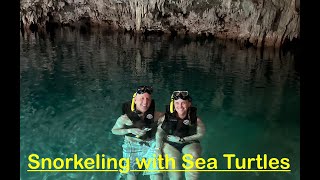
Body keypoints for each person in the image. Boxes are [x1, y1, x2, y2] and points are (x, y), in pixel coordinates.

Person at [111, 85, 164, 180]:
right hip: (132, 144)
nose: (145, 102)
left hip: (151, 143)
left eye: (148, 99)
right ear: (135, 100)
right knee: (132, 175)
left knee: (157, 174)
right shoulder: (125, 118)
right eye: (142, 98)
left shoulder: (157, 115)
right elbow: (114, 130)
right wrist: (129, 130)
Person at [156, 91, 205, 180]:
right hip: (170, 144)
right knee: (175, 176)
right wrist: (158, 150)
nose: (180, 106)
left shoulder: (195, 119)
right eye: (177, 103)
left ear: (189, 104)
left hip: (189, 143)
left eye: (183, 103)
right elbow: (159, 133)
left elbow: (200, 134)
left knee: (193, 155)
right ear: (173, 104)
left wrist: (183, 139)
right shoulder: (166, 118)